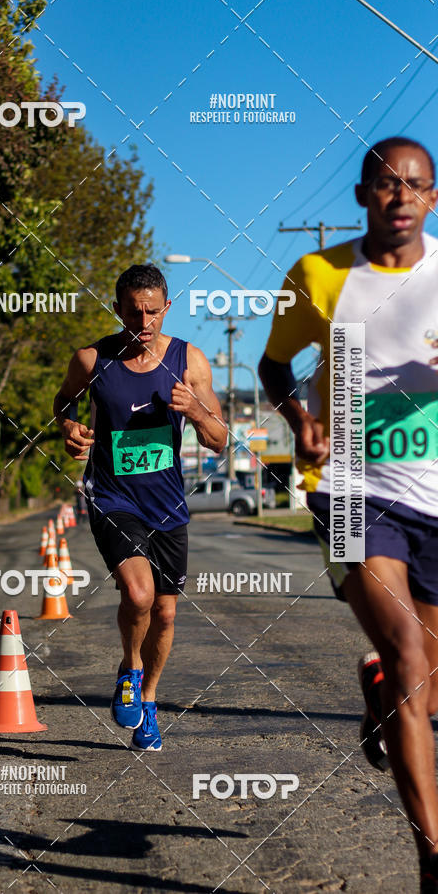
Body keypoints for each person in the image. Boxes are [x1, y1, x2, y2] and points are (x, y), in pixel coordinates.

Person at [259, 136, 438, 892]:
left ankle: (380, 694)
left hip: (434, 494)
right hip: (350, 489)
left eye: (417, 186)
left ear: (433, 199)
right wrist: (299, 419)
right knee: (408, 654)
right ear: (363, 195)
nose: (401, 197)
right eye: (387, 185)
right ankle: (433, 855)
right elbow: (273, 364)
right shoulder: (321, 275)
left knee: (423, 672)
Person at [54, 264, 227, 751]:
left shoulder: (189, 362)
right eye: (134, 312)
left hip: (168, 504)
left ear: (166, 308)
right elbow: (64, 401)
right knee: (138, 594)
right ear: (118, 310)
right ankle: (130, 669)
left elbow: (219, 440)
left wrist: (196, 411)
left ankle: (148, 700)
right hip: (113, 498)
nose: (144, 321)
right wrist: (69, 428)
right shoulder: (92, 361)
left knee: (167, 615)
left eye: (153, 311)